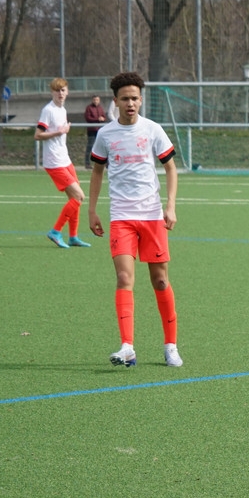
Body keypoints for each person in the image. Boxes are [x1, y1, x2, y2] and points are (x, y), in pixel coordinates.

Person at [88, 71, 181, 369]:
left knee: (160, 280)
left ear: (141, 100)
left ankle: (170, 346)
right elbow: (97, 172)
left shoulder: (153, 130)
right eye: (125, 99)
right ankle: (127, 347)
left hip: (152, 217)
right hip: (122, 218)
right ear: (115, 101)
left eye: (135, 98)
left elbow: (171, 168)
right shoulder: (105, 135)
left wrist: (170, 206)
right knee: (124, 278)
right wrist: (91, 210)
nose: (131, 104)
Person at [36, 77, 90, 249]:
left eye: (62, 90)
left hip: (65, 159)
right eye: (57, 90)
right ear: (52, 92)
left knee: (75, 199)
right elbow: (38, 135)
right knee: (79, 196)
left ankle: (73, 237)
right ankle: (55, 231)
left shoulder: (62, 110)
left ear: (67, 92)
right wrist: (58, 132)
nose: (60, 93)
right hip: (54, 162)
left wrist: (62, 132)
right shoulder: (48, 110)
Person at [83, 94, 107, 170]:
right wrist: (97, 119)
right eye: (94, 100)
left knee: (103, 146)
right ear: (92, 100)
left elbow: (104, 117)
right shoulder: (89, 108)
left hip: (100, 131)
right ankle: (87, 163)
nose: (96, 101)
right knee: (90, 147)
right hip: (92, 130)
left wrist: (103, 119)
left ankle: (105, 163)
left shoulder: (100, 108)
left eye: (97, 100)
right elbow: (88, 118)